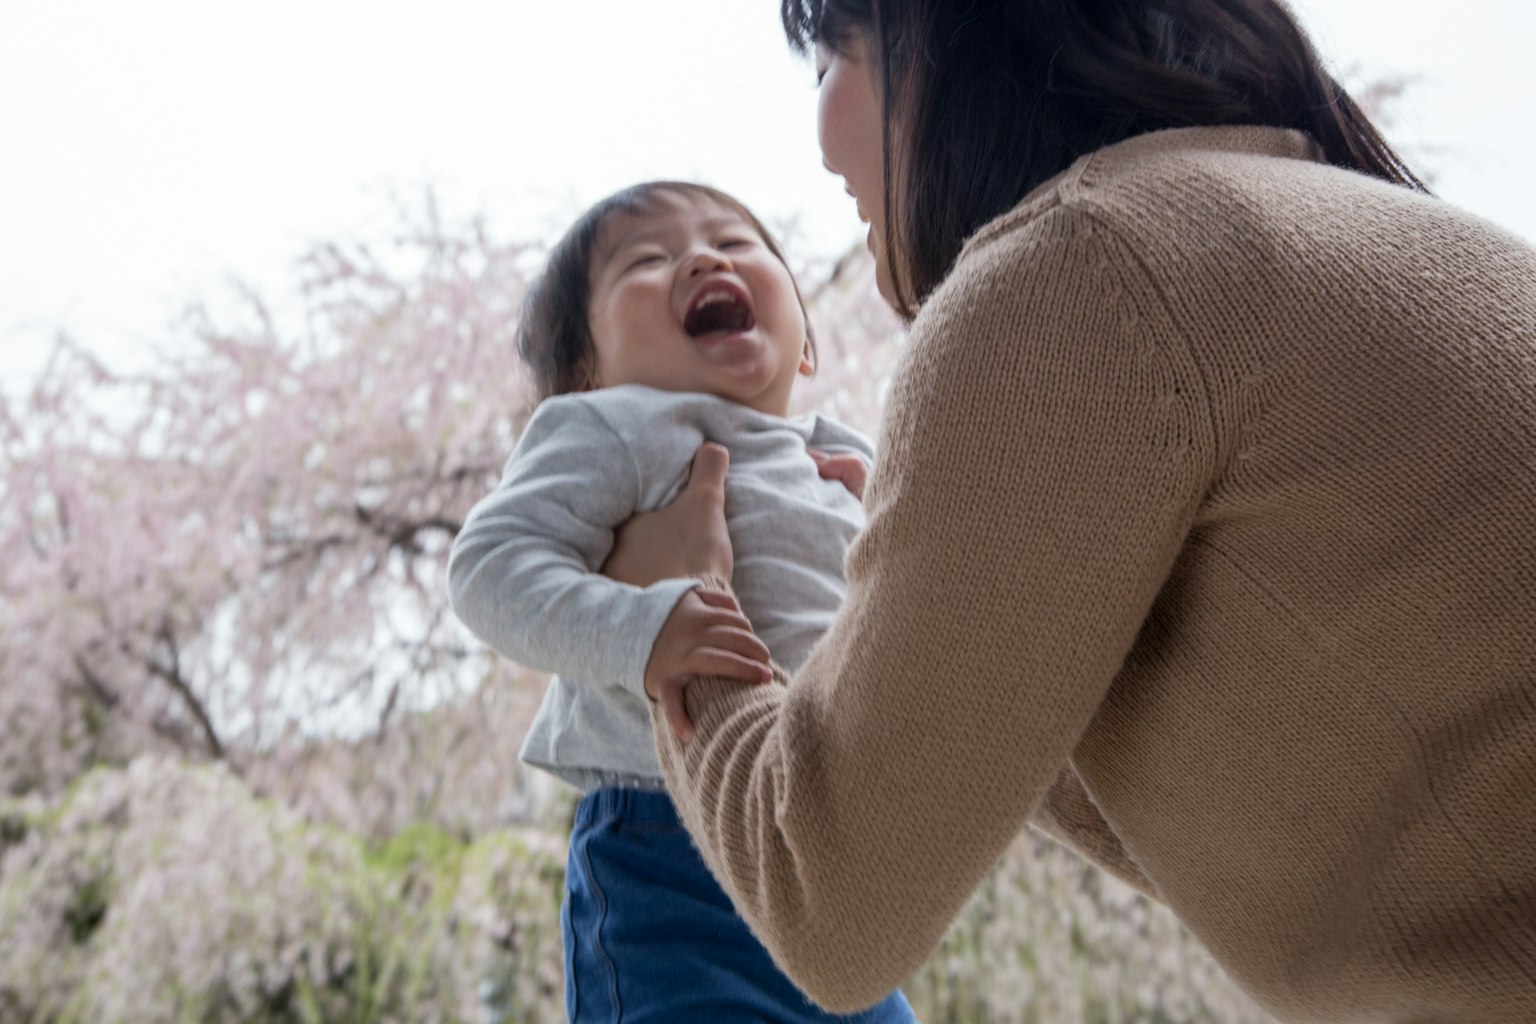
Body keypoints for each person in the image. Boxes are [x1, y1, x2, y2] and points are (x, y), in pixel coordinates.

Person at [597, 3, 1536, 1023]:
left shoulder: (1083, 271)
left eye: (833, 53)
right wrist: (963, 633)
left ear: (944, 40)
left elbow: (826, 901)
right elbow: (1316, 825)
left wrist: (676, 611)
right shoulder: (1359, 223)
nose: (821, 136)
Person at [447, 180, 917, 1024]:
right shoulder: (619, 427)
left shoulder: (843, 456)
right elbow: (489, 565)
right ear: (585, 374)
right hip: (666, 847)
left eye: (737, 245)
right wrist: (643, 631)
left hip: (816, 850)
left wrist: (898, 518)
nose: (703, 258)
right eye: (649, 259)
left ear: (805, 345)